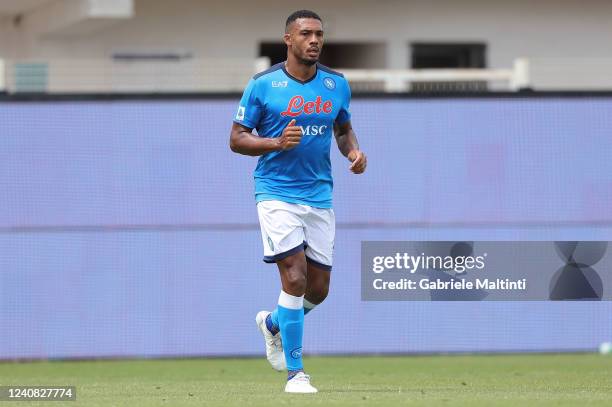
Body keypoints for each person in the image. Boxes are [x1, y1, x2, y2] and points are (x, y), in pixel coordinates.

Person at [229, 9, 367, 393]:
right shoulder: (263, 85)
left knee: (318, 289)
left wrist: (353, 152)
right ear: (288, 39)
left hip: (319, 195)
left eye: (319, 34)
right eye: (306, 33)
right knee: (295, 276)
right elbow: (237, 138)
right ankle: (296, 374)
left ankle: (273, 324)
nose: (315, 40)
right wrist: (275, 142)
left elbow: (343, 129)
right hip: (275, 193)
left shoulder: (336, 84)